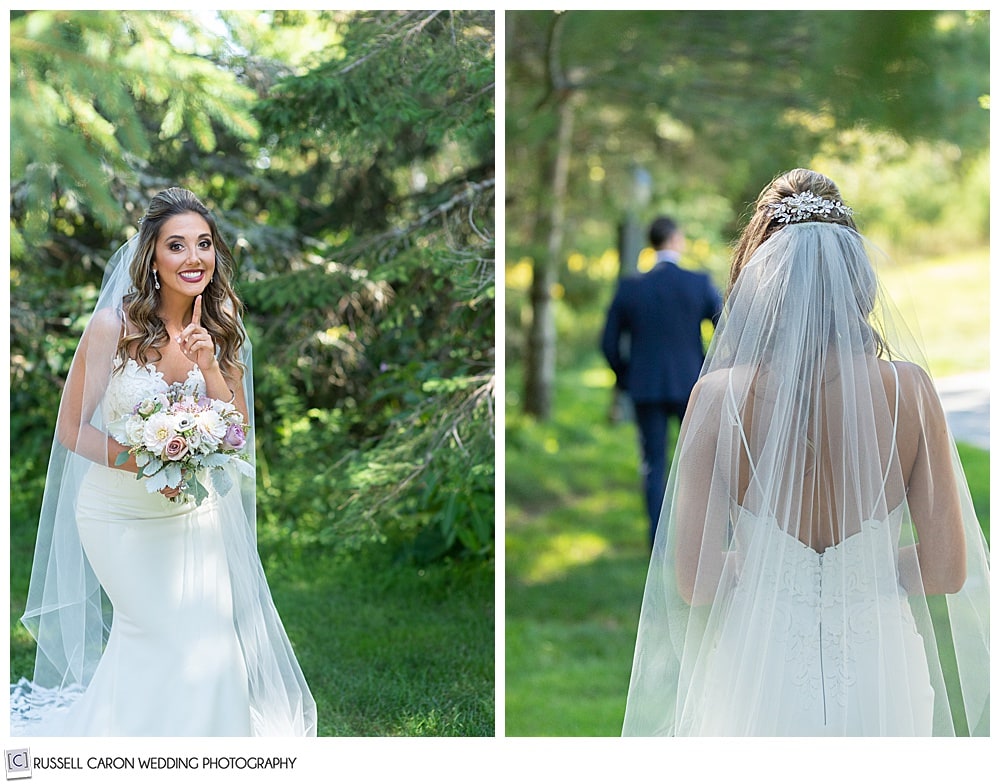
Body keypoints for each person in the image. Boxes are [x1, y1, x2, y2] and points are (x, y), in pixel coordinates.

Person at [621, 169, 990, 736]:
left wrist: (779, 572)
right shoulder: (911, 392)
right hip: (882, 667)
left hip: (758, 666)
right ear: (856, 274)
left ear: (757, 276)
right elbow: (946, 568)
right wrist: (854, 571)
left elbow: (695, 580)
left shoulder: (717, 399)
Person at [10, 187, 317, 737]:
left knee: (210, 638)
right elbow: (71, 428)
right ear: (152, 256)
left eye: (203, 244)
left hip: (191, 519)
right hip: (116, 515)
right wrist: (151, 461)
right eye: (177, 246)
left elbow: (238, 434)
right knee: (157, 634)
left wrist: (210, 365)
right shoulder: (113, 328)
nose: (193, 258)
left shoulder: (224, 332)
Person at [601, 216, 722, 547]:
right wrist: (711, 371)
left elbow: (608, 343)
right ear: (676, 240)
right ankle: (698, 536)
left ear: (652, 243)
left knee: (653, 463)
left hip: (645, 386)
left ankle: (657, 540)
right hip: (691, 386)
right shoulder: (698, 283)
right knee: (697, 461)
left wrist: (626, 377)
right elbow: (725, 328)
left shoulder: (631, 287)